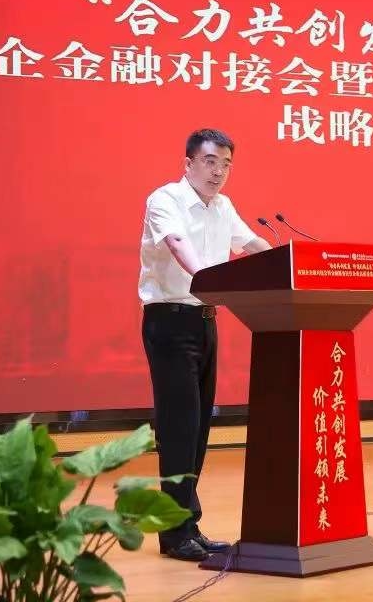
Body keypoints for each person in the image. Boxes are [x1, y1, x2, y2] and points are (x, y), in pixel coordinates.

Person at [137, 128, 272, 561]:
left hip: (205, 322)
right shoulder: (166, 200)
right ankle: (174, 534)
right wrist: (210, 280)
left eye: (226, 165)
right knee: (178, 428)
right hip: (170, 322)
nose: (219, 172)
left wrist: (286, 263)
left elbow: (251, 244)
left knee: (197, 431)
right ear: (189, 163)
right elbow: (178, 245)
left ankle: (187, 526)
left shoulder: (223, 206)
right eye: (211, 162)